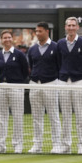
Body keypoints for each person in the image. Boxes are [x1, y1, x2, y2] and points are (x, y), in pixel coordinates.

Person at [57, 17, 82, 154]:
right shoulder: (60, 43)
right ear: (65, 27)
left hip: (79, 81)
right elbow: (58, 62)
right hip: (63, 81)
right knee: (65, 115)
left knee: (80, 115)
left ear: (77, 27)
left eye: (73, 25)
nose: (71, 28)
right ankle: (66, 145)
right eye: (69, 25)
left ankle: (81, 145)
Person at [28, 22, 64, 154]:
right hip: (35, 84)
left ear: (47, 32)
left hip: (51, 83)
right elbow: (31, 65)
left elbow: (59, 65)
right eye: (36, 31)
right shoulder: (32, 49)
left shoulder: (56, 47)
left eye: (40, 31)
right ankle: (37, 144)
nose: (38, 33)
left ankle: (57, 144)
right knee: (36, 116)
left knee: (53, 115)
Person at [0, 29, 31, 153]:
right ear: (1, 40)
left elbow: (25, 71)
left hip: (16, 87)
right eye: (4, 38)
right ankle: (1, 145)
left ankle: (17, 145)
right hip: (1, 89)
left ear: (12, 39)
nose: (7, 40)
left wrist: (17, 82)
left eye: (9, 37)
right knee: (1, 117)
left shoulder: (19, 55)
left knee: (17, 117)